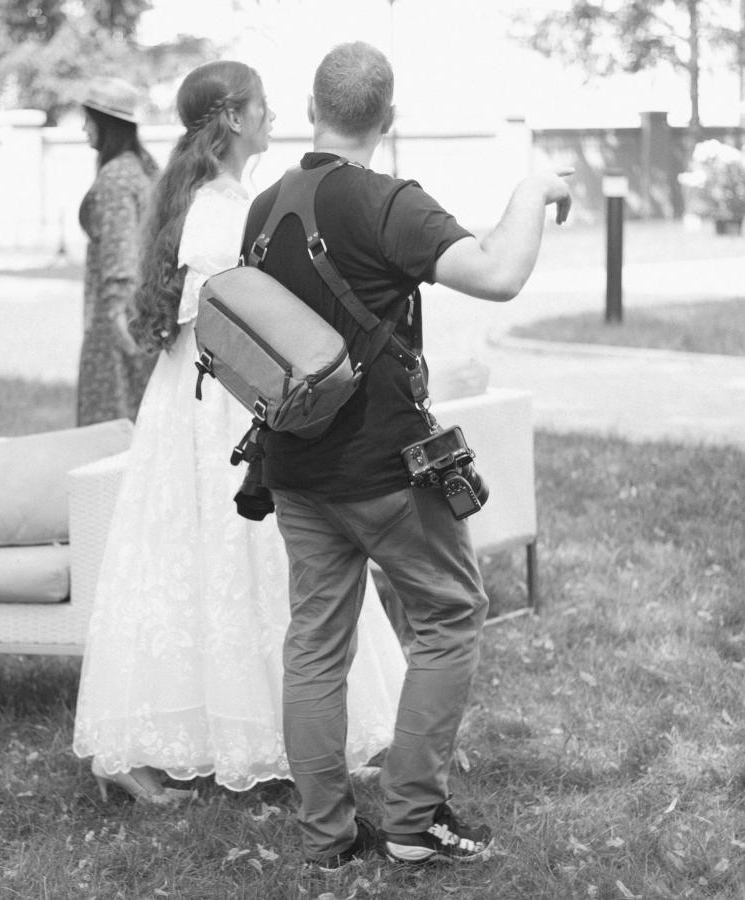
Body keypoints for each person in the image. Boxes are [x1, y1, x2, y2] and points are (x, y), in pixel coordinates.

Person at [241, 41, 572, 870]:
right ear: (388, 118)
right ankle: (414, 821)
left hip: (295, 468)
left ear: (312, 109)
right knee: (451, 613)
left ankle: (326, 836)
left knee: (315, 644)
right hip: (384, 470)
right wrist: (532, 189)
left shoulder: (265, 208)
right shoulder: (388, 202)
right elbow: (498, 273)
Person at [72, 60, 406, 804]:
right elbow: (220, 317)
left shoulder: (222, 199)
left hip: (214, 393)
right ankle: (170, 742)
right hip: (215, 401)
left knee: (235, 562)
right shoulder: (217, 209)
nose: (272, 114)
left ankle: (280, 733)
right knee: (225, 554)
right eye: (261, 104)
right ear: (232, 117)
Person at [77, 76, 160, 427]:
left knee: (110, 427)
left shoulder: (116, 179)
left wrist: (115, 317)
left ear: (105, 123)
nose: (84, 128)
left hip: (118, 322)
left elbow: (119, 252)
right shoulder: (141, 169)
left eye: (88, 120)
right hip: (143, 314)